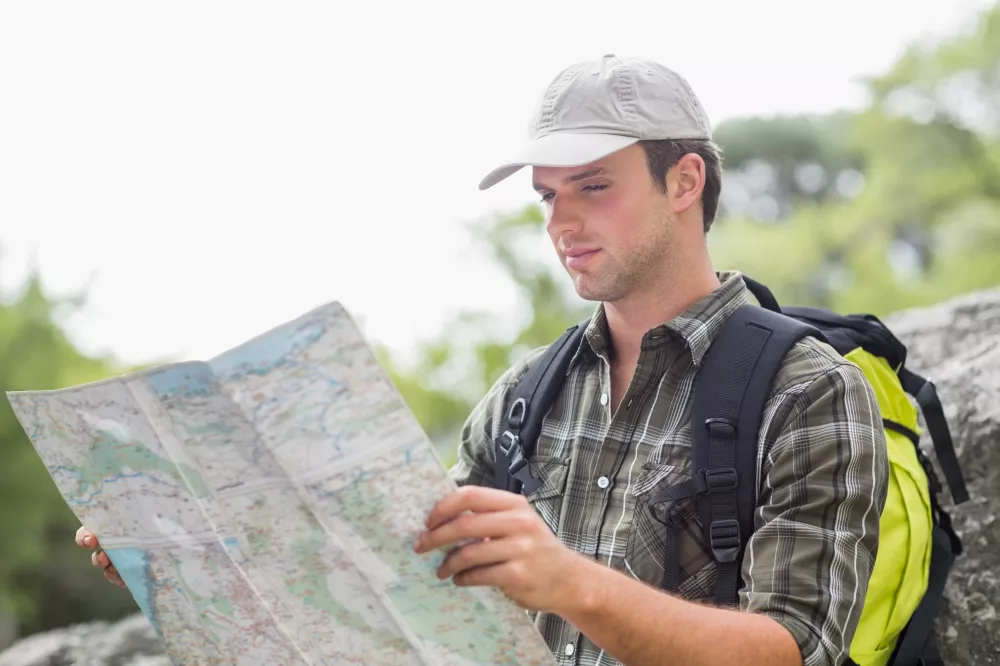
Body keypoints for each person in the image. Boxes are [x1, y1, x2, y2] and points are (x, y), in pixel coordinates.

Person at [78, 55, 888, 666]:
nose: (559, 222)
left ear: (683, 181)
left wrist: (567, 582)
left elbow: (796, 645)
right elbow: (403, 588)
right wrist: (185, 554)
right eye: (547, 195)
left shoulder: (808, 390)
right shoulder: (526, 396)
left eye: (592, 186)